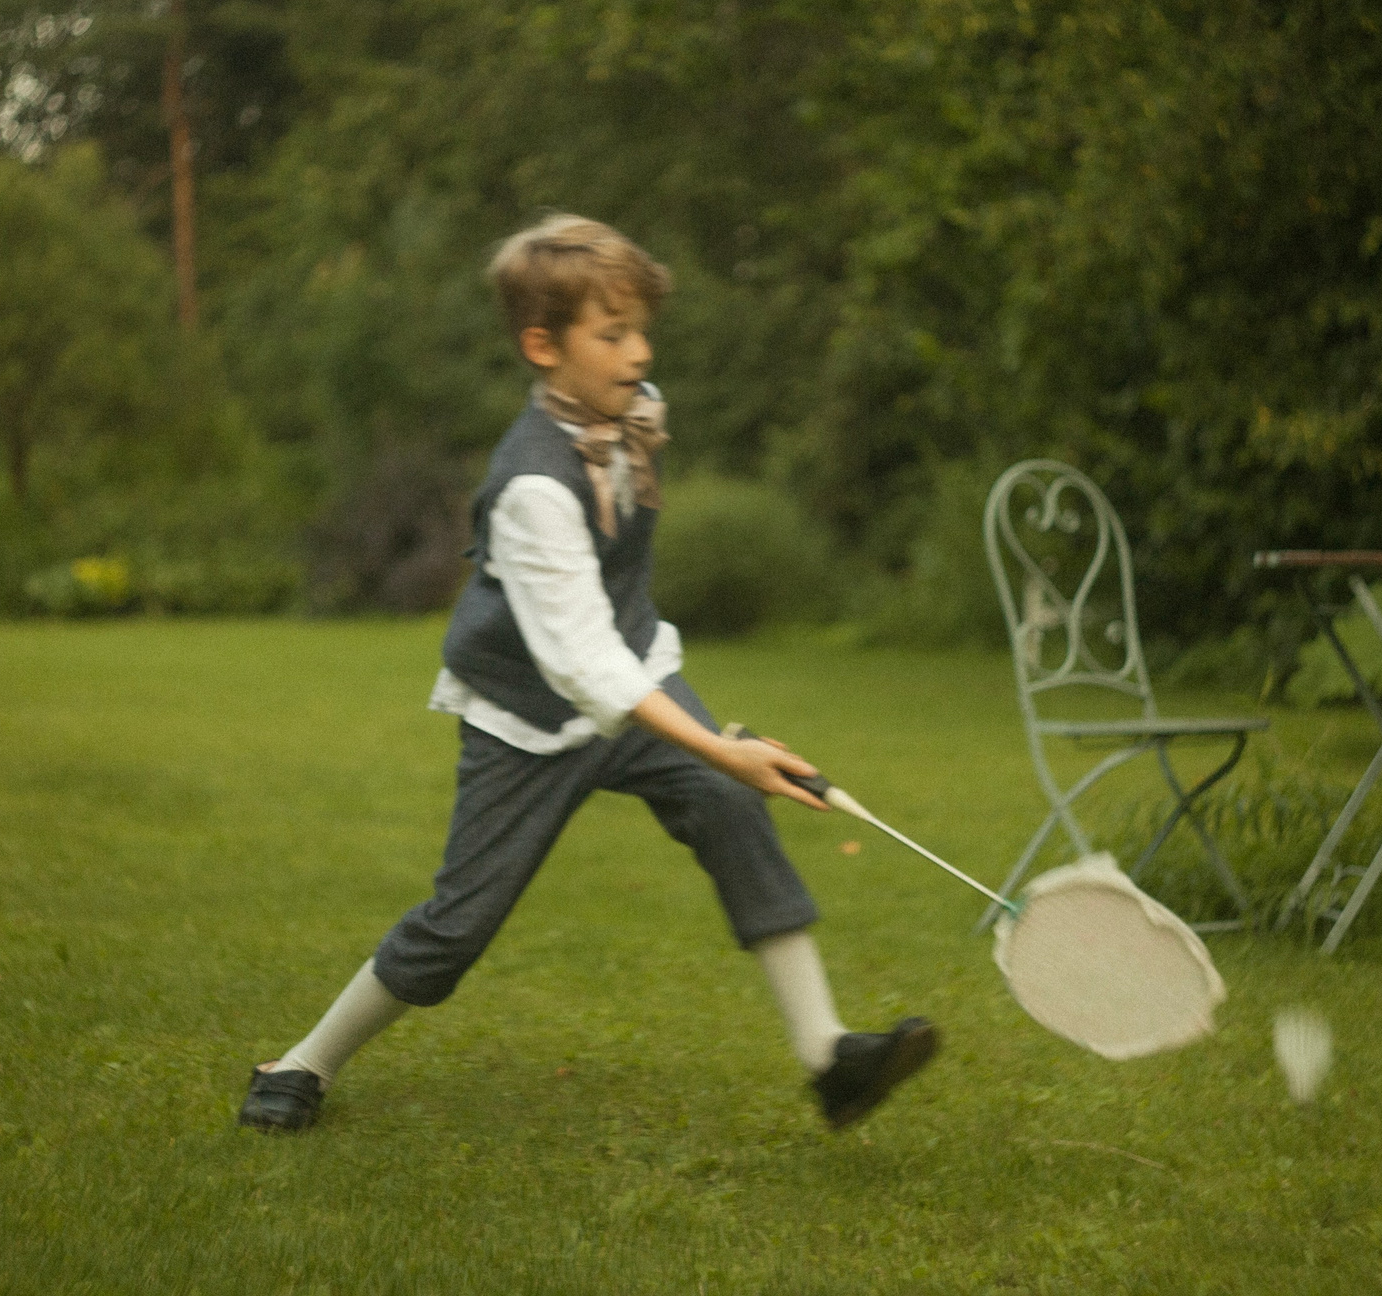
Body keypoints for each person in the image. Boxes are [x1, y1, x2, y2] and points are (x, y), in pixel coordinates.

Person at [237, 213, 936, 1133]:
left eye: (642, 330)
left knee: (729, 811)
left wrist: (720, 768)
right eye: (613, 335)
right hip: (528, 716)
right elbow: (582, 665)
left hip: (634, 668)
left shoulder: (630, 413)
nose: (639, 354)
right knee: (458, 926)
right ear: (542, 345)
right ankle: (301, 1065)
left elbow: (619, 637)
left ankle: (829, 1060)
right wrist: (723, 749)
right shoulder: (531, 488)